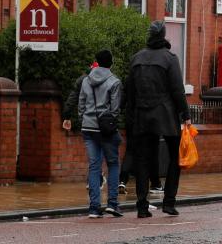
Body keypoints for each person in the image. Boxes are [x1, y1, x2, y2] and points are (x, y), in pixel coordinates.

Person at [126, 21, 190, 218]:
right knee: (175, 157)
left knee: (142, 160)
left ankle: (142, 206)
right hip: (165, 114)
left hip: (142, 115)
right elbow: (178, 90)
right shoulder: (170, 59)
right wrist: (185, 114)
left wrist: (130, 116)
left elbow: (129, 91)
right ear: (163, 35)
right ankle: (169, 202)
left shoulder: (136, 58)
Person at [78, 49, 123, 218]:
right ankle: (112, 203)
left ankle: (94, 207)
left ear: (96, 61)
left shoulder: (85, 80)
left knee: (94, 166)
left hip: (88, 127)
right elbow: (115, 109)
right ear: (111, 63)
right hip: (105, 129)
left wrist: (84, 118)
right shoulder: (114, 82)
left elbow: (81, 104)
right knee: (113, 164)